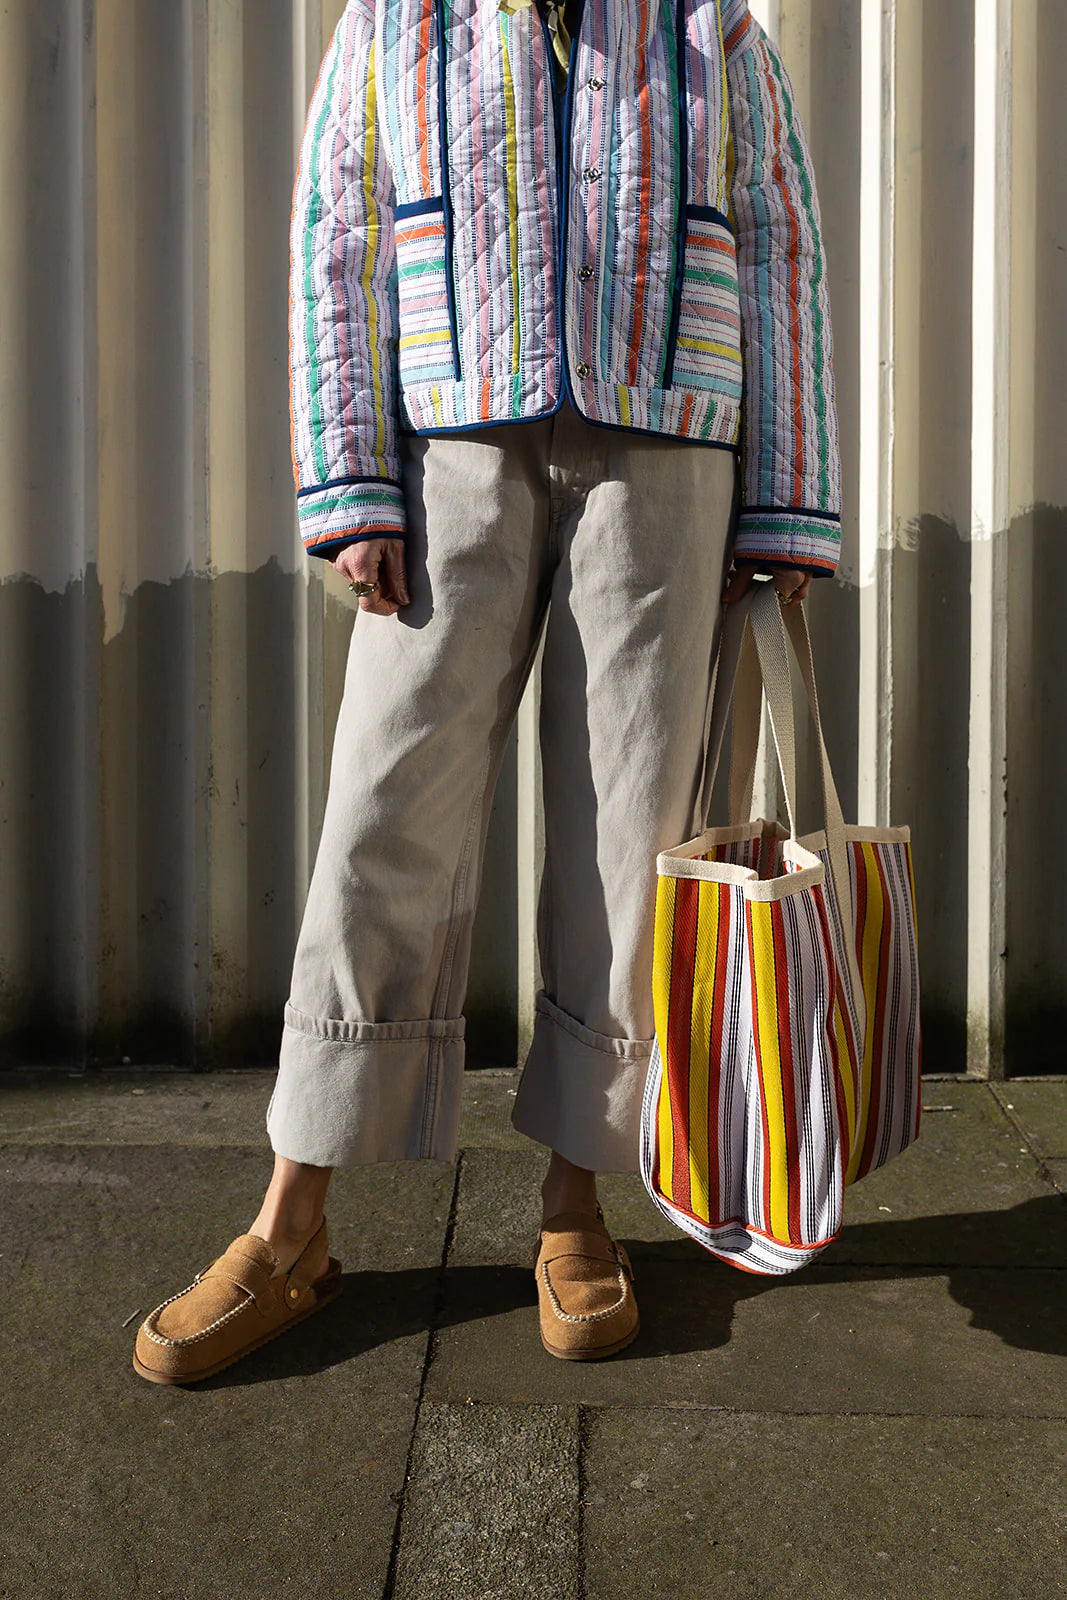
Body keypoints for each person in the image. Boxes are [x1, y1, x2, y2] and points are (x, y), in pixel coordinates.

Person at [133, 0, 839, 1384]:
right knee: (381, 821)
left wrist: (787, 508)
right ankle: (292, 1225)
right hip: (448, 448)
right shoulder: (396, 19)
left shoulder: (709, 23)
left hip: (666, 445)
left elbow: (778, 247)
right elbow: (337, 234)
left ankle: (577, 1208)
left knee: (630, 843)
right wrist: (349, 484)